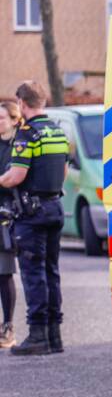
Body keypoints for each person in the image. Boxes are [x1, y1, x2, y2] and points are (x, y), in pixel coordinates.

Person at [0, 81, 68, 355]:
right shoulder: (57, 131)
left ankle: (38, 335)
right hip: (54, 207)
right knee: (52, 272)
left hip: (32, 213)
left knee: (33, 274)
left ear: (23, 103)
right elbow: (63, 172)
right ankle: (54, 335)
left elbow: (16, 175)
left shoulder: (28, 134)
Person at [0, 101, 20, 349]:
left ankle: (8, 326)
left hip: (6, 215)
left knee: (3, 273)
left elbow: (13, 180)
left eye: (2, 118)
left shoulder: (18, 146)